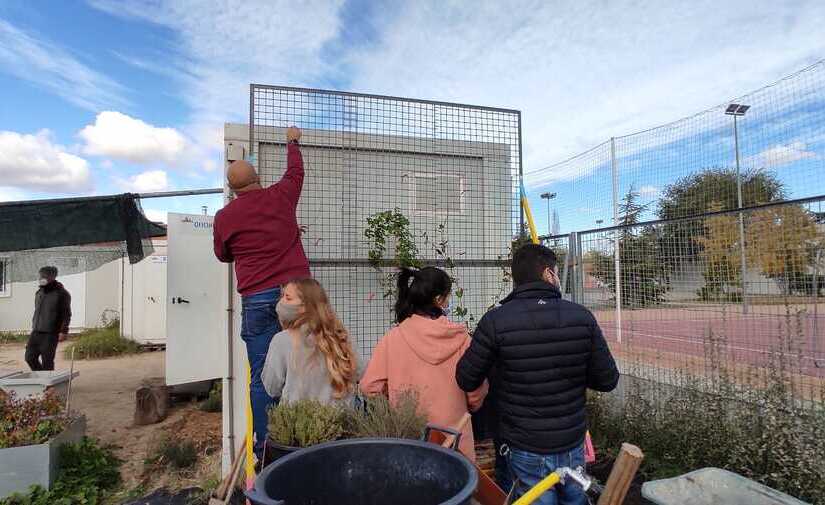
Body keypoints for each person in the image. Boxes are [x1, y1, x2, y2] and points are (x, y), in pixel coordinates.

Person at [456, 244, 619, 505]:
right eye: (554, 272)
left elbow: (466, 378)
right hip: (572, 441)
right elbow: (608, 379)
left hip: (523, 445)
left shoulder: (496, 321)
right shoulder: (581, 317)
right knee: (575, 499)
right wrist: (573, 370)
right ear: (547, 274)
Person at [213, 126, 310, 456]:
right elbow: (295, 171)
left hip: (256, 298)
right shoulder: (281, 195)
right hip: (297, 294)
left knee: (262, 375)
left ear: (232, 188)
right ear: (257, 177)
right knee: (311, 361)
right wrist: (292, 142)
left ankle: (267, 446)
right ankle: (310, 434)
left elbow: (223, 254)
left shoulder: (225, 216)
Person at [361, 267, 488, 461]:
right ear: (439, 300)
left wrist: (395, 399)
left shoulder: (393, 338)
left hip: (409, 437)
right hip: (455, 439)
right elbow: (475, 388)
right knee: (459, 487)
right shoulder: (462, 339)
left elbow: (369, 387)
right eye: (448, 296)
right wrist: (472, 404)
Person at [261, 278, 360, 406]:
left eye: (288, 298)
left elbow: (272, 388)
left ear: (304, 307)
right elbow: (359, 372)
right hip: (341, 420)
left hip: (298, 421)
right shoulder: (341, 337)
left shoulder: (281, 340)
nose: (281, 302)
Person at [26, 266, 71, 371]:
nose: (41, 278)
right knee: (29, 358)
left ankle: (48, 385)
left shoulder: (62, 293)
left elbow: (66, 314)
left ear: (53, 277)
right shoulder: (39, 293)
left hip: (50, 333)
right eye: (40, 275)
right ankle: (42, 379)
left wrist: (63, 331)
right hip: (36, 332)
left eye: (44, 276)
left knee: (47, 361)